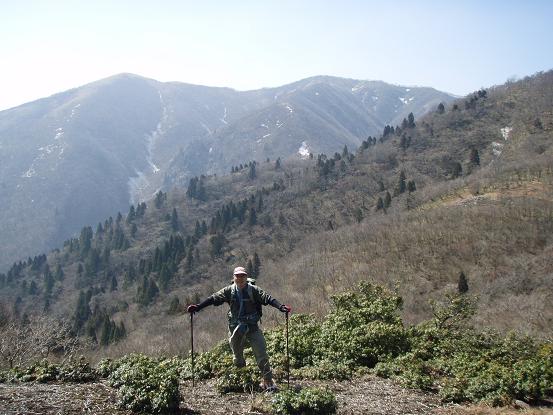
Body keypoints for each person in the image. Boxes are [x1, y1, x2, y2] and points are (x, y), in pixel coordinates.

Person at [187, 266, 291, 391]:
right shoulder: (228, 291)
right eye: (237, 276)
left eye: (242, 276)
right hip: (235, 328)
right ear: (234, 277)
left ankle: (268, 380)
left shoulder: (254, 290)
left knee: (261, 353)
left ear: (246, 277)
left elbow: (267, 298)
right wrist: (198, 307)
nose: (240, 278)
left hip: (252, 327)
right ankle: (244, 379)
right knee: (237, 356)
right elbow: (213, 298)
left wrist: (280, 307)